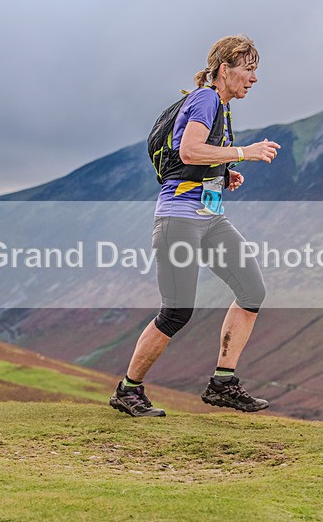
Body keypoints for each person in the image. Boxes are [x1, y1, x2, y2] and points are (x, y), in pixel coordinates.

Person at [109, 34, 281, 417]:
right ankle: (128, 390)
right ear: (225, 69)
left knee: (252, 291)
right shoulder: (205, 98)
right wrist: (244, 153)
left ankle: (223, 383)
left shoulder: (220, 106)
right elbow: (189, 150)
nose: (254, 79)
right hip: (179, 221)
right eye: (249, 70)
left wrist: (223, 172)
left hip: (209, 219)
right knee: (176, 312)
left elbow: (195, 157)